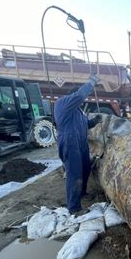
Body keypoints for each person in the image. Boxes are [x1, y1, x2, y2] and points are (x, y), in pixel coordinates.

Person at [54, 75, 101, 214]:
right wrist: (91, 82)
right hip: (69, 142)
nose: (81, 102)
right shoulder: (62, 103)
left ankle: (82, 192)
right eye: (78, 100)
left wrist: (94, 121)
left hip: (80, 143)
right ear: (72, 96)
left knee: (86, 168)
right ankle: (74, 207)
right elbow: (80, 95)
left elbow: (85, 124)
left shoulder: (78, 112)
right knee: (74, 174)